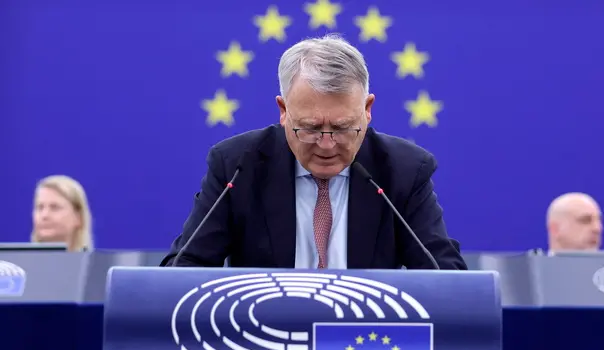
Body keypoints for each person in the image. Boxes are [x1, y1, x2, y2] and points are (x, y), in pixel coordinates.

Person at [160, 34, 466, 270]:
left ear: (368, 109)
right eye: (310, 127)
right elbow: (184, 271)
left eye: (344, 127)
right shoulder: (238, 166)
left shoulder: (404, 170)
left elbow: (447, 279)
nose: (327, 143)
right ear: (283, 110)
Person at [31, 175, 94, 252]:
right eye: (40, 207)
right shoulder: (21, 263)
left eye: (54, 207)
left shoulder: (97, 263)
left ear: (78, 217)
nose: (45, 215)